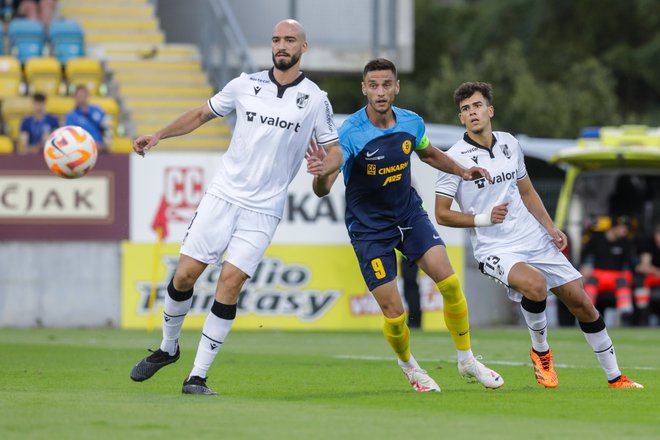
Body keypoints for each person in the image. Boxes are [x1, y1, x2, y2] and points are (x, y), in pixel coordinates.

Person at [129, 19, 340, 395]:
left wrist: (327, 165)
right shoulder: (245, 84)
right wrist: (159, 134)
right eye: (276, 39)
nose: (281, 45)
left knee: (231, 282)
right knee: (185, 276)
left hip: (265, 208)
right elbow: (200, 113)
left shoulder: (316, 99)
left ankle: (197, 376)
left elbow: (334, 147)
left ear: (303, 48)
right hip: (223, 195)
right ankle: (167, 348)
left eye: (289, 40)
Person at [306, 58, 504, 392]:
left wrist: (462, 170)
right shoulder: (350, 133)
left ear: (396, 87)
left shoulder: (411, 122)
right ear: (364, 89)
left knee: (450, 283)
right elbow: (323, 187)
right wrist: (323, 173)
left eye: (387, 85)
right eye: (374, 85)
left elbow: (427, 154)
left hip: (409, 215)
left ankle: (467, 359)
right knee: (395, 313)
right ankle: (410, 367)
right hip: (370, 229)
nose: (380, 92)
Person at [434, 81, 643, 389]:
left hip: (533, 238)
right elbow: (441, 213)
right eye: (465, 109)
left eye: (477, 106)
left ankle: (615, 377)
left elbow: (527, 191)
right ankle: (541, 352)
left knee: (582, 303)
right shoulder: (453, 159)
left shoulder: (510, 144)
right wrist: (483, 218)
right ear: (461, 119)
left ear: (490, 110)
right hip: (495, 247)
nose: (472, 112)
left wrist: (551, 227)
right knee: (536, 285)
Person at [580, 216, 635, 326]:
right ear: (614, 227)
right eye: (623, 228)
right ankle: (585, 316)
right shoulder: (597, 239)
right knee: (590, 284)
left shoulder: (625, 243)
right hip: (597, 275)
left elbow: (629, 265)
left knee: (623, 284)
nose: (625, 231)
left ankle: (625, 317)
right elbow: (584, 257)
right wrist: (585, 267)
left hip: (616, 277)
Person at [64, 84, 111, 153]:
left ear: (87, 96)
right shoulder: (71, 116)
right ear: (74, 97)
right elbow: (70, 136)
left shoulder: (97, 110)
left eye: (83, 95)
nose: (81, 98)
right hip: (81, 151)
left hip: (100, 150)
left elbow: (107, 128)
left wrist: (105, 144)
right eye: (79, 96)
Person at [634, 222, 660, 325]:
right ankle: (643, 319)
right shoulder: (648, 245)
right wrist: (655, 271)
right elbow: (644, 267)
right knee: (641, 284)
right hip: (652, 277)